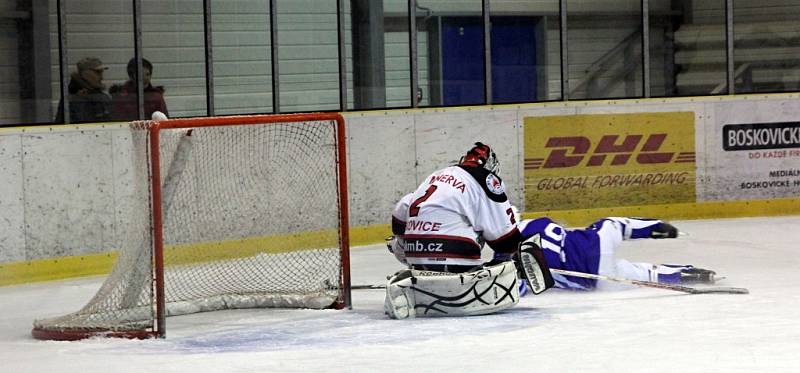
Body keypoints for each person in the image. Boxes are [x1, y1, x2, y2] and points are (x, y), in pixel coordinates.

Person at [384, 142, 553, 319]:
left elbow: (401, 212)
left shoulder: (436, 176)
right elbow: (504, 240)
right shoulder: (486, 179)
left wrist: (405, 242)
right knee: (494, 235)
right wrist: (517, 262)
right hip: (454, 260)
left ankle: (417, 284)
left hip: (415, 255)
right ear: (490, 167)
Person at [494, 216, 717, 295]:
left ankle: (688, 276)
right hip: (597, 241)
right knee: (615, 224)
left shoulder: (503, 255)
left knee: (644, 273)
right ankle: (658, 228)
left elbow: (519, 289)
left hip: (596, 278)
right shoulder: (534, 223)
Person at [54, 57, 112, 123]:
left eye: (101, 72)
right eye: (97, 72)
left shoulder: (102, 97)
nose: (101, 77)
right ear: (85, 73)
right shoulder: (71, 99)